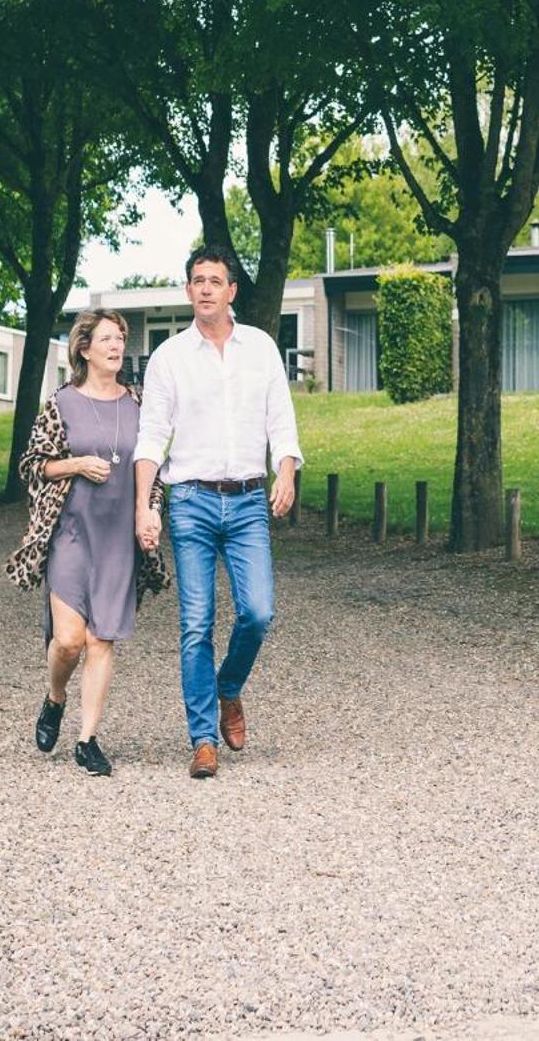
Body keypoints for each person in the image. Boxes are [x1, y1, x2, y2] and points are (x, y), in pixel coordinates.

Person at [135, 246, 301, 779]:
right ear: (188, 292)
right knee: (196, 624)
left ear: (231, 291)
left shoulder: (261, 349)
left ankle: (229, 688)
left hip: (250, 499)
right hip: (190, 501)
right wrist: (145, 506)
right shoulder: (169, 358)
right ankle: (202, 738)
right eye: (197, 280)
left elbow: (282, 418)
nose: (205, 288)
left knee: (258, 611)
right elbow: (151, 439)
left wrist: (287, 469)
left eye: (215, 280)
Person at [16, 308, 154, 776]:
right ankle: (56, 697)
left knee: (101, 640)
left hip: (118, 540)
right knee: (70, 640)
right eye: (108, 339)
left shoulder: (139, 404)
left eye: (122, 339)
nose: (118, 346)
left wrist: (150, 510)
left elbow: (150, 468)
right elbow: (33, 466)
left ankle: (87, 738)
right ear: (84, 348)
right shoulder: (60, 403)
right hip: (72, 535)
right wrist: (76, 464)